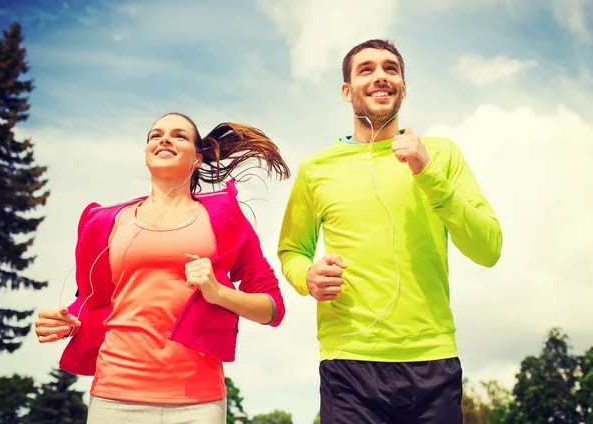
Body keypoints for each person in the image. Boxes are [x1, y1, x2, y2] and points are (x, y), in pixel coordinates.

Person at [278, 39, 503, 423]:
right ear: (347, 91)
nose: (380, 76)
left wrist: (427, 173)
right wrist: (307, 276)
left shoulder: (440, 154)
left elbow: (488, 249)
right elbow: (292, 250)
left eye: (390, 68)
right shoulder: (315, 168)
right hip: (348, 362)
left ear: (403, 86)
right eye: (366, 69)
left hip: (432, 359)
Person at [35, 112, 290, 424]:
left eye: (179, 135)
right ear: (146, 156)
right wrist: (66, 321)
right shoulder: (107, 223)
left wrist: (219, 293)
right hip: (115, 397)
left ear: (197, 158)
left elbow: (273, 308)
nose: (164, 139)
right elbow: (92, 302)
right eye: (155, 135)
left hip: (198, 402)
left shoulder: (225, 217)